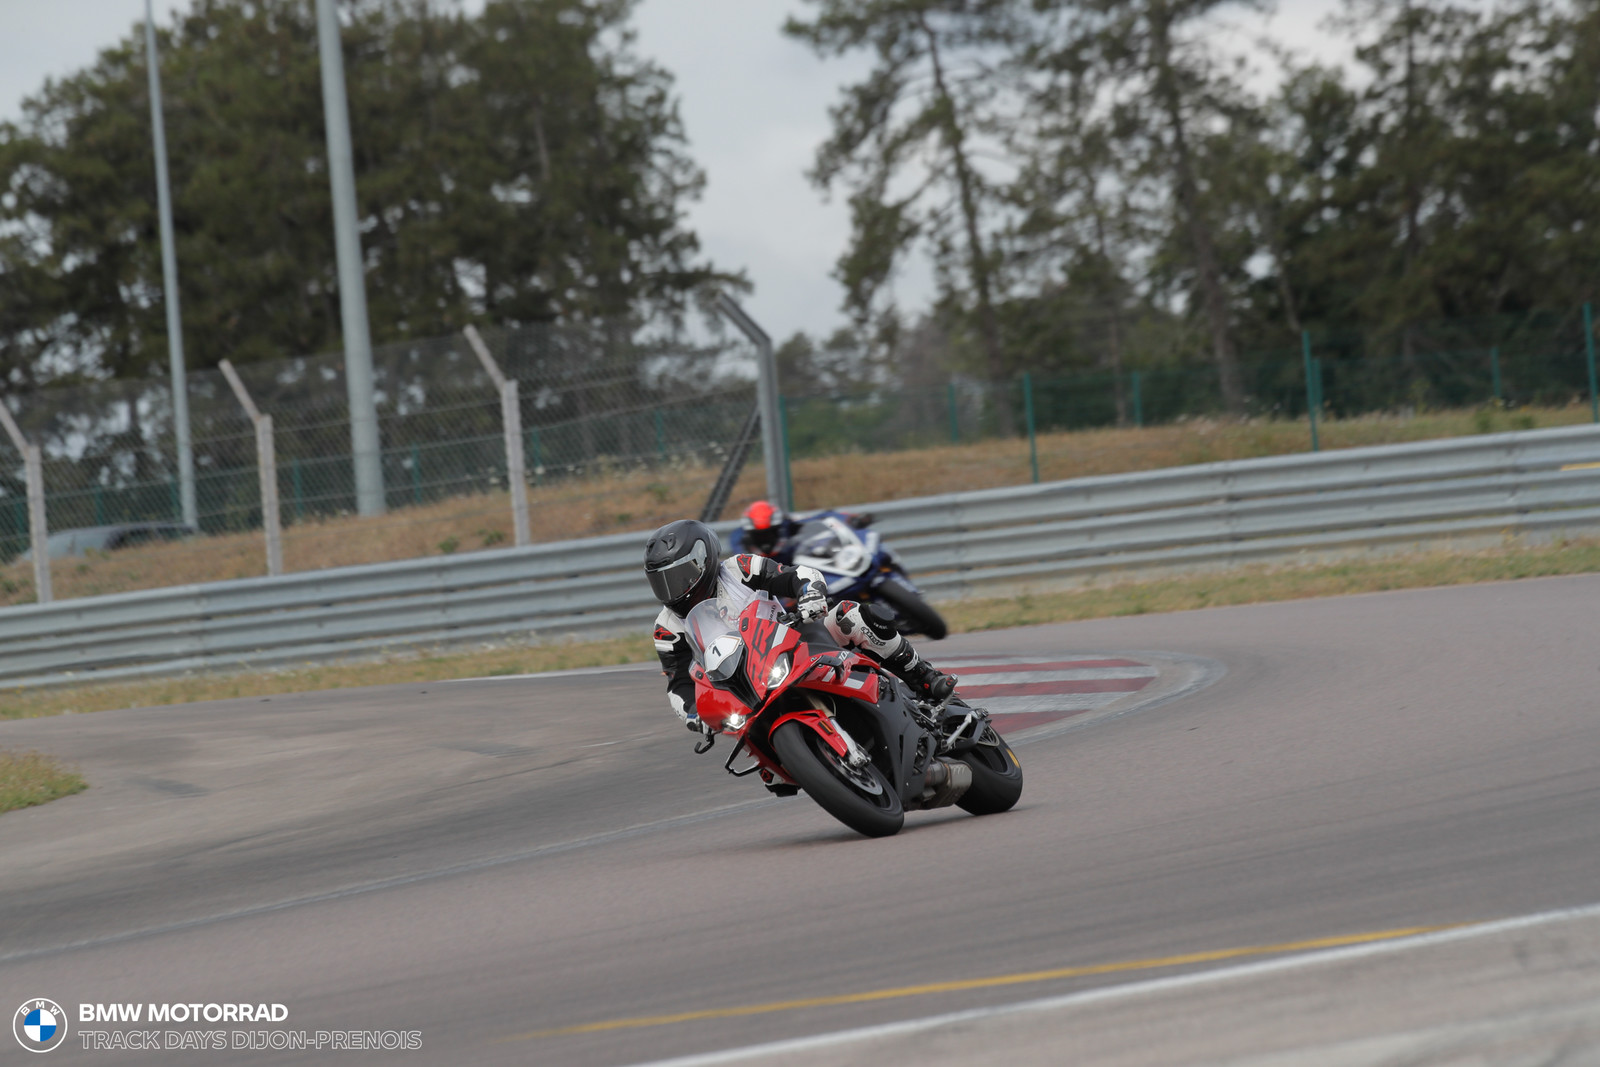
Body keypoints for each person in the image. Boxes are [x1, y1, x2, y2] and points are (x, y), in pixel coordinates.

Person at [644, 518, 955, 733]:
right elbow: (679, 683)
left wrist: (810, 593)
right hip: (746, 688)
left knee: (851, 615)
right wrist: (693, 714)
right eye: (663, 581)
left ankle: (923, 677)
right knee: (746, 744)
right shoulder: (667, 627)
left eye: (681, 575)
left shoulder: (738, 568)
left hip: (796, 642)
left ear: (704, 560)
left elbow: (795, 575)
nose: (675, 588)